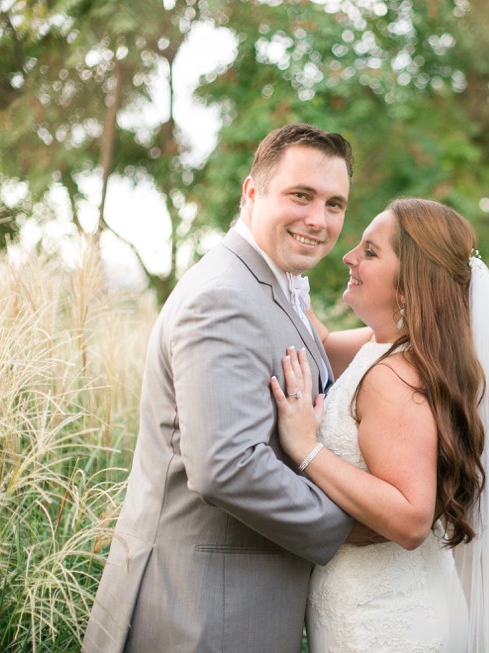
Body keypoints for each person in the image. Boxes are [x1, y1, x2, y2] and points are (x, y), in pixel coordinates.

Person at [83, 124, 362, 653]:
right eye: (300, 196)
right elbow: (226, 466)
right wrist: (347, 525)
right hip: (202, 611)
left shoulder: (271, 284)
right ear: (251, 193)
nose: (317, 220)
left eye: (333, 204)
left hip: (232, 602)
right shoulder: (224, 296)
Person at [271, 197, 489, 652]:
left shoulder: (393, 376)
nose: (349, 256)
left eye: (370, 252)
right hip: (389, 603)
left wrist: (306, 450)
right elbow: (325, 345)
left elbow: (411, 518)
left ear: (408, 289)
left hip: (383, 622)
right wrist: (283, 270)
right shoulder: (387, 346)